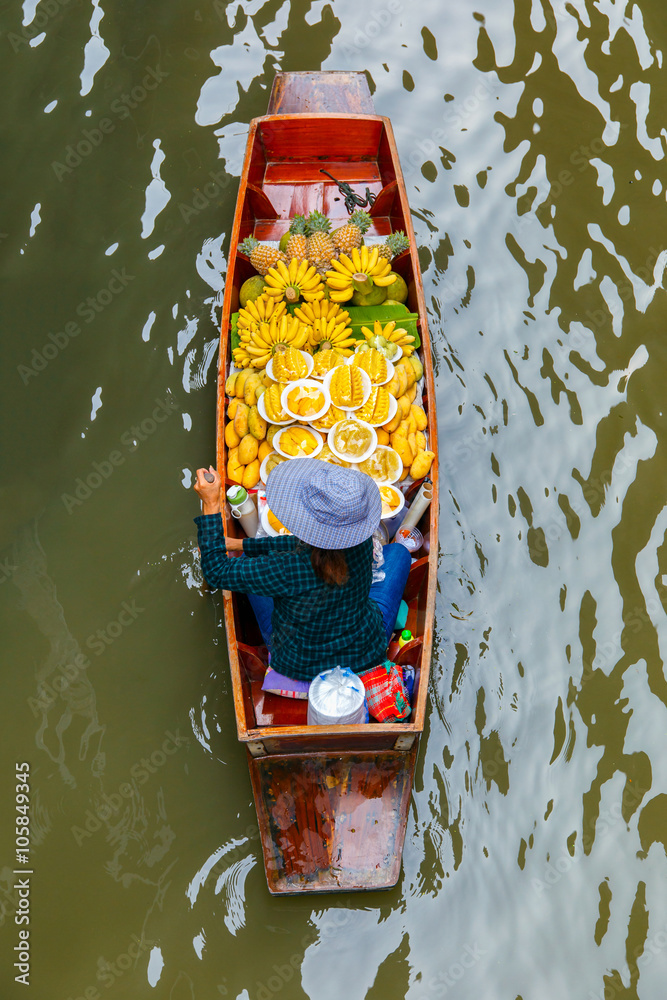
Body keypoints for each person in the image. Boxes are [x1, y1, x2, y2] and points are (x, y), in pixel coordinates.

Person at [193, 458, 411, 682]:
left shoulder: (285, 569)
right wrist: (241, 544)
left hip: (298, 662)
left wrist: (211, 503)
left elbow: (216, 571)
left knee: (250, 562)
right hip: (363, 651)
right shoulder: (361, 541)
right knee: (400, 553)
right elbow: (299, 546)